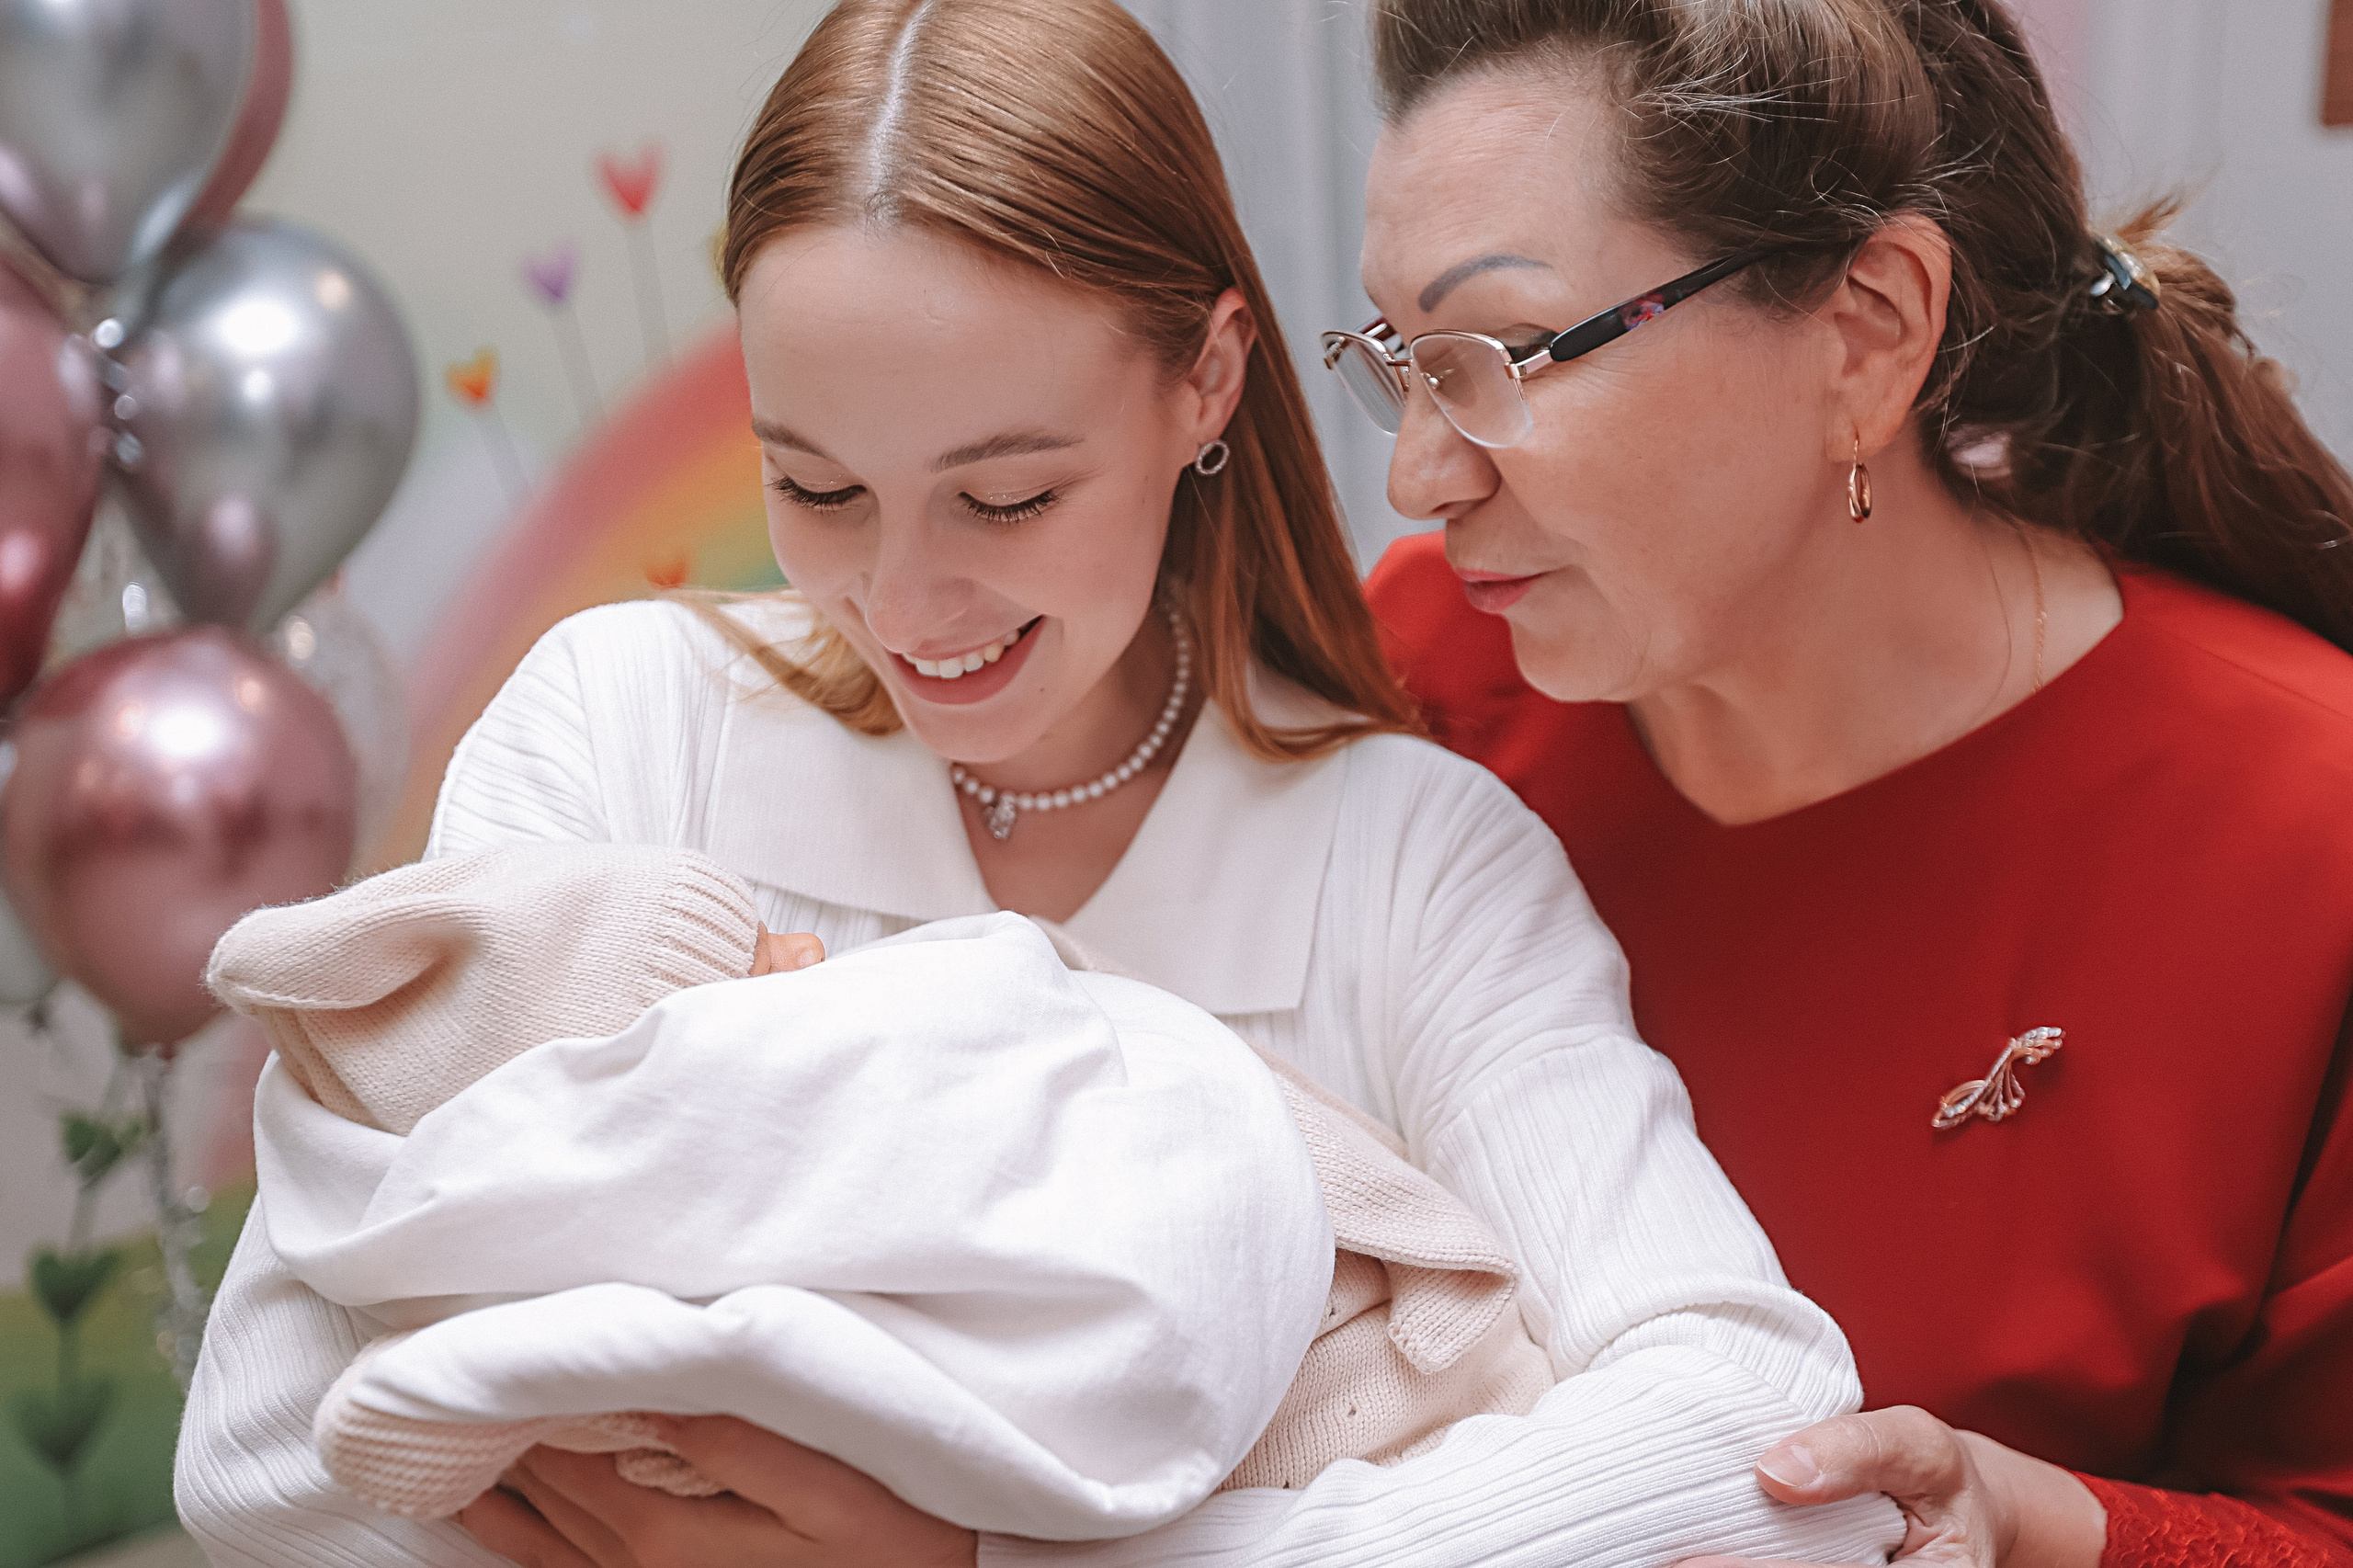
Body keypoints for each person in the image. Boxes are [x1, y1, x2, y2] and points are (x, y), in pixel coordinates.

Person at [174, 3, 1909, 1566]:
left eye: (1005, 497)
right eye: (816, 487)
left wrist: (971, 1558)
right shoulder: (628, 727)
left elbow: (1750, 1426)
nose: (905, 604)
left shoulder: (1413, 863)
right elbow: (262, 1445)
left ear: (1206, 380)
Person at [1341, 2, 2353, 1565]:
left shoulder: (2303, 825)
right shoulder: (1415, 673)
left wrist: (2036, 1518)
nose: (1420, 477)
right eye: (1402, 360)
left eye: (1500, 358)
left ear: (1868, 332)